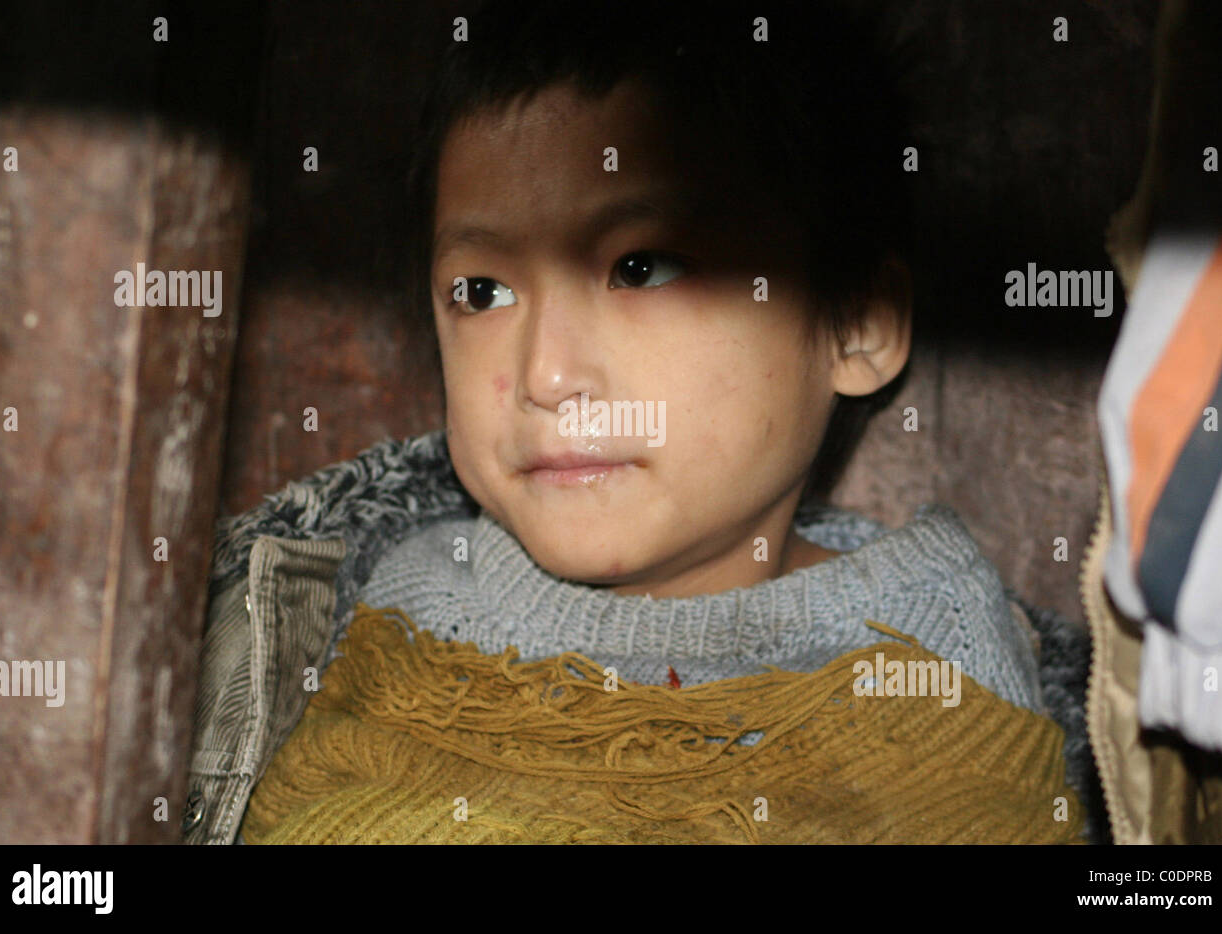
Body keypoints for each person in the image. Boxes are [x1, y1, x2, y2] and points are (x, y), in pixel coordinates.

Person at [184, 0, 1092, 845]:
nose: (546, 375)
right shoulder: (377, 605)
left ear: (856, 322)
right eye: (483, 292)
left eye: (643, 268)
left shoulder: (942, 679)